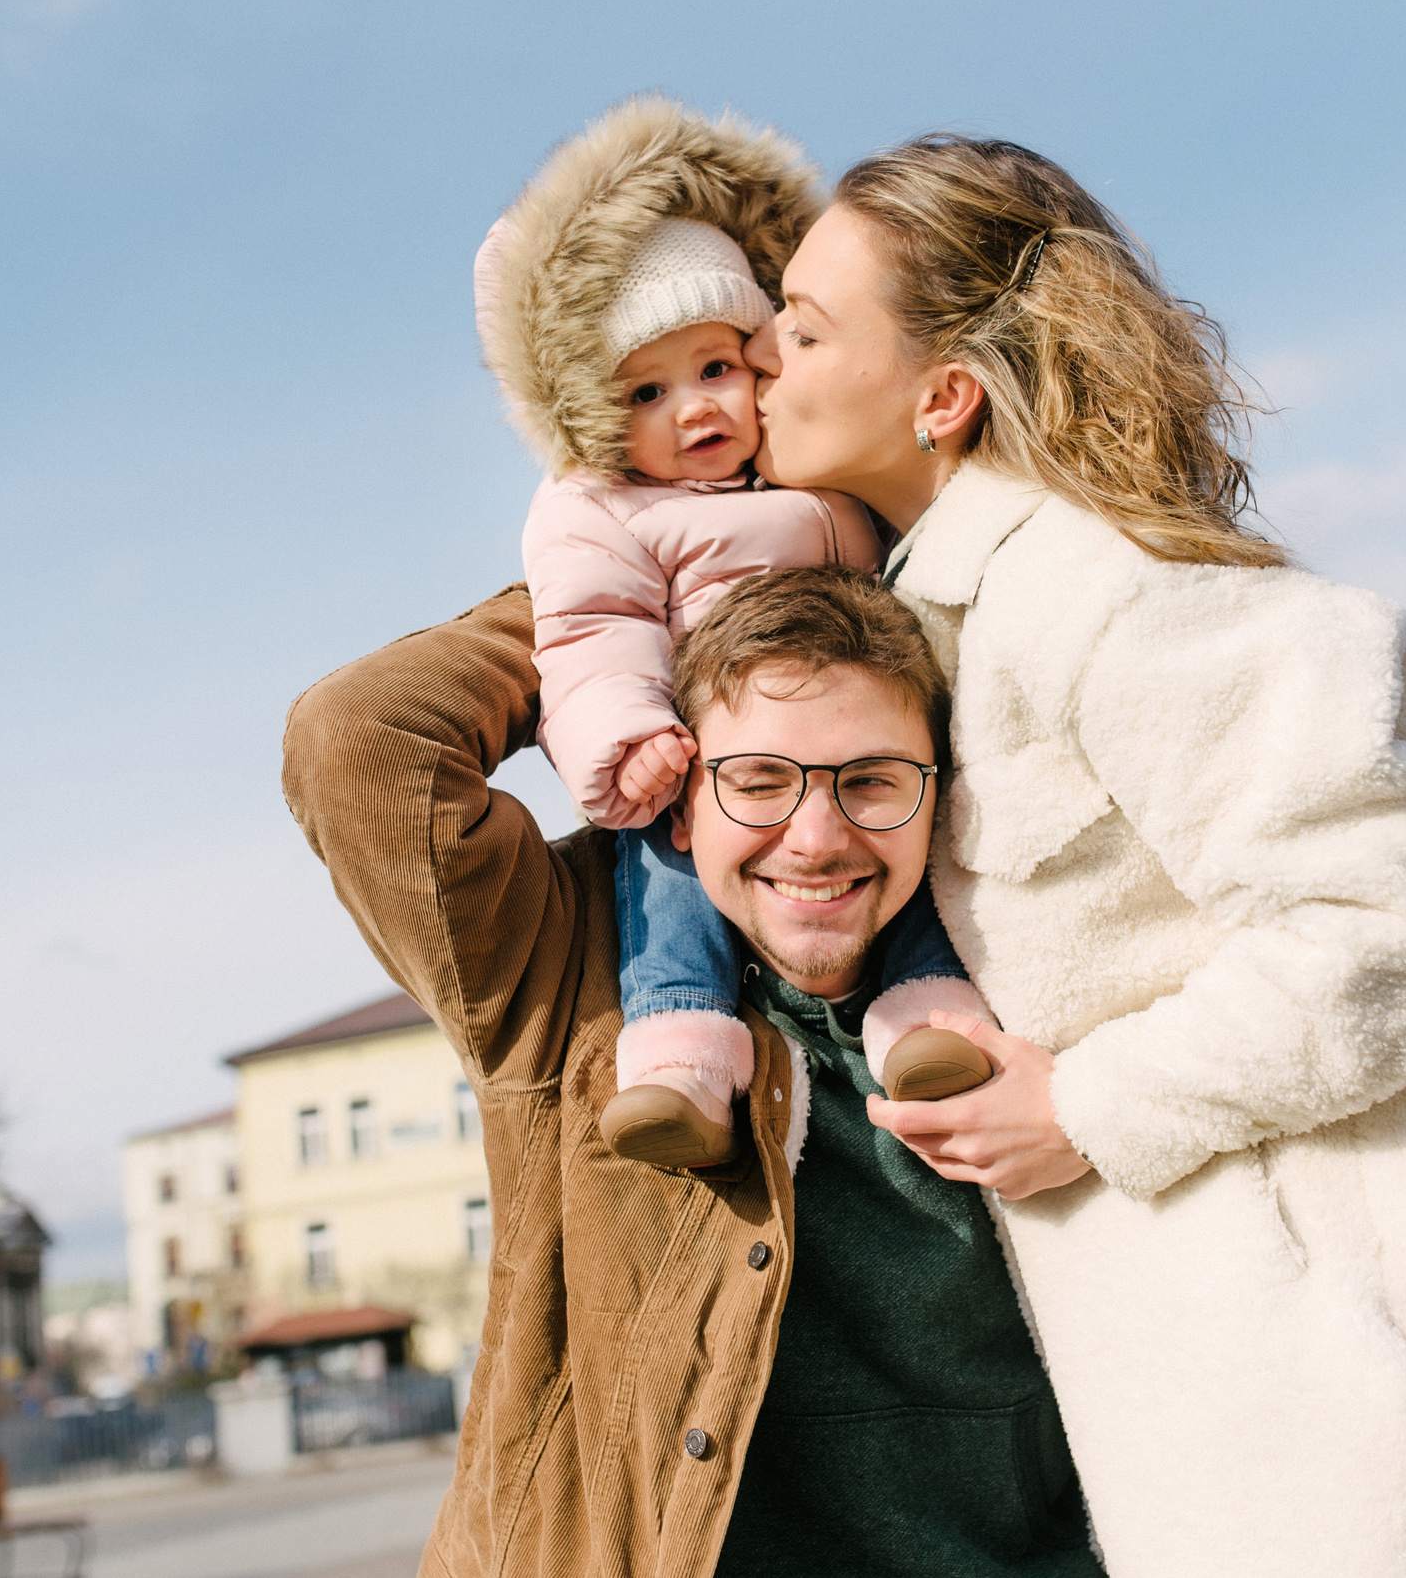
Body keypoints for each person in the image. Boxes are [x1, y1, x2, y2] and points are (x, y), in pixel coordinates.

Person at [737, 134, 1406, 1578]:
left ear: (944, 395)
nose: (758, 360)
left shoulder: (1093, 589)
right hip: (1264, 1416)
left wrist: (1092, 1105)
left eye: (802, 328)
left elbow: (1392, 922)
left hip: (1381, 1430)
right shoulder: (968, 608)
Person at [282, 565, 1099, 1578]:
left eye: (872, 779)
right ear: (676, 801)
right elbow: (359, 740)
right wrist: (639, 584)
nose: (816, 836)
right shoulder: (562, 969)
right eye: (756, 778)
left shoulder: (1041, 954)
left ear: (937, 795)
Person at [479, 97, 995, 1169]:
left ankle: (929, 1024)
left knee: (902, 857)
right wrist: (628, 741)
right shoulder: (603, 509)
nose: (694, 409)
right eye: (646, 391)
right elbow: (592, 631)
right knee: (667, 895)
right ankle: (677, 1061)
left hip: (849, 741)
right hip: (699, 763)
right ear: (590, 412)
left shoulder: (805, 474)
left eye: (717, 368)